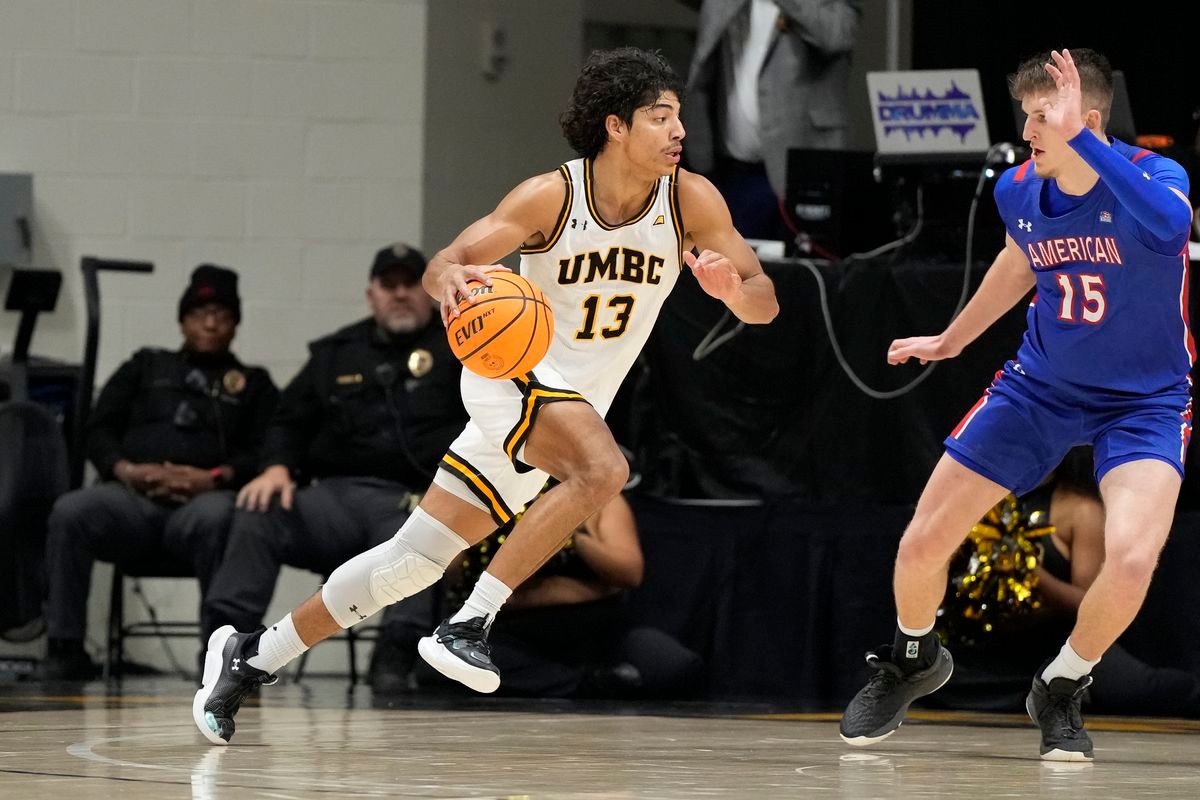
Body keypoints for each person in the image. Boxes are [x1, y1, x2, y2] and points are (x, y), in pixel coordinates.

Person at [193, 46, 777, 744]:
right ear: (616, 126)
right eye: (661, 116)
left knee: (409, 563)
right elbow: (448, 263)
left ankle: (251, 657)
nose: (679, 130)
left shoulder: (691, 200)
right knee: (605, 470)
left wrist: (733, 294)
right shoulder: (552, 196)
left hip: (571, 407)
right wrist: (452, 286)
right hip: (513, 370)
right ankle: (470, 622)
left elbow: (765, 299)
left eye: (679, 116)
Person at [839, 48, 1194, 762]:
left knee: (1130, 560)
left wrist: (1088, 143)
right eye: (1025, 113)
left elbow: (1165, 228)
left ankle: (1062, 683)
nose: (1028, 128)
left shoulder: (1157, 176)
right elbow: (1019, 259)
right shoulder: (1018, 189)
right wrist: (950, 338)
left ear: (1088, 120)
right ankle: (914, 656)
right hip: (1042, 385)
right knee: (922, 540)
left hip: (1147, 400)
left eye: (1044, 115)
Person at [199, 244, 467, 689]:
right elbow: (288, 420)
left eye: (410, 284)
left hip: (412, 499)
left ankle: (394, 661)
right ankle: (228, 646)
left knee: (430, 532)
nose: (400, 294)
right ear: (371, 295)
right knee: (257, 510)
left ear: (430, 292)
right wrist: (277, 468)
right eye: (389, 285)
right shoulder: (336, 354)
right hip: (334, 500)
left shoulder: (462, 346)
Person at [42, 265, 277, 680]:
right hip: (131, 502)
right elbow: (97, 427)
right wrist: (126, 469)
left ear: (235, 324)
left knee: (225, 517)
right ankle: (64, 647)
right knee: (71, 511)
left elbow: (265, 450)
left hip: (203, 505)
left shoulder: (254, 385)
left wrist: (215, 477)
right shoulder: (144, 365)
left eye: (221, 314)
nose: (210, 322)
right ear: (181, 319)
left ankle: (219, 656)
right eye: (200, 312)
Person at [418, 488, 703, 698]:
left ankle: (584, 681)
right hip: (512, 632)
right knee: (439, 669)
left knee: (676, 666)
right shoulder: (486, 500)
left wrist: (567, 532)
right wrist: (475, 533)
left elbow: (629, 572)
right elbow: (446, 576)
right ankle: (583, 685)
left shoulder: (597, 497)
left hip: (596, 630)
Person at [680, 0, 861, 240]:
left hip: (805, 174)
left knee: (806, 273)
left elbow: (838, 35)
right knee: (737, 271)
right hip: (735, 170)